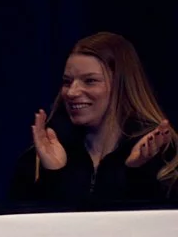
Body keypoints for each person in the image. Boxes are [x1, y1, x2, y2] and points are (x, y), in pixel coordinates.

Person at [11, 31, 176, 204]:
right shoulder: (38, 158)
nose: (72, 92)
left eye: (90, 81)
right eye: (67, 82)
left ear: (121, 85)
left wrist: (138, 172)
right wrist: (53, 175)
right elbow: (24, 228)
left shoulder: (166, 154)